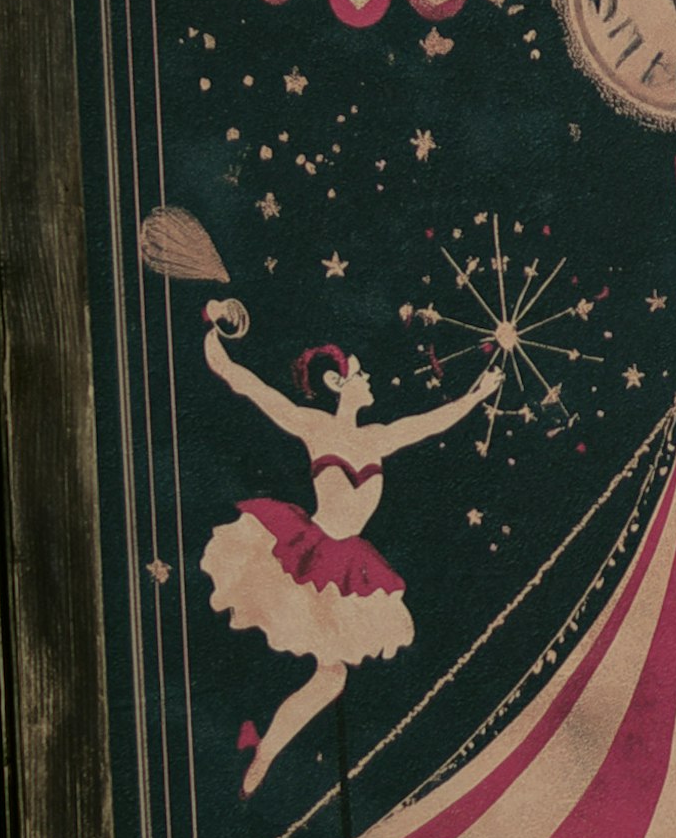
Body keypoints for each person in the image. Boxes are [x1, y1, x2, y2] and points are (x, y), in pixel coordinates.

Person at [196, 315, 501, 794]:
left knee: (333, 676)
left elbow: (429, 422)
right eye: (362, 375)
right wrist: (214, 333)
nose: (370, 380)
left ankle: (265, 749)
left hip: (347, 567)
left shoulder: (377, 436)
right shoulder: (315, 426)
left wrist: (476, 395)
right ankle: (252, 741)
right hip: (306, 557)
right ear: (338, 382)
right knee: (308, 660)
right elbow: (247, 384)